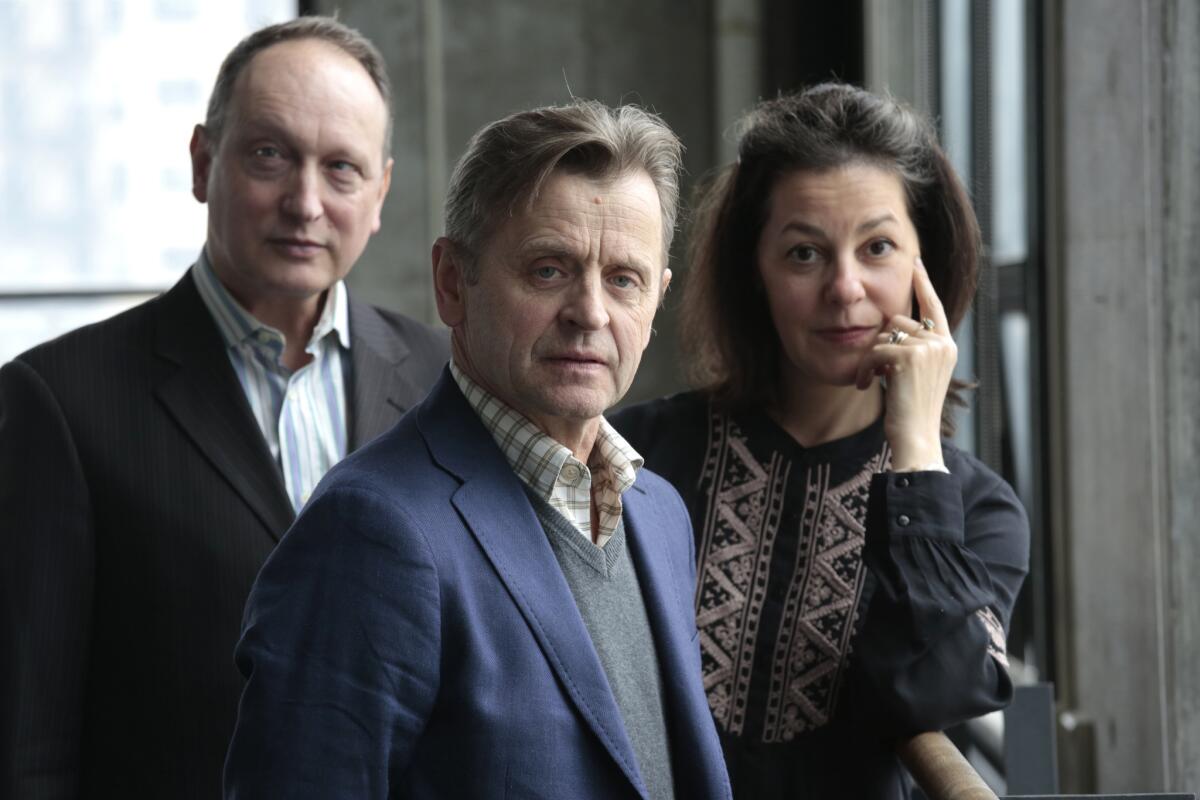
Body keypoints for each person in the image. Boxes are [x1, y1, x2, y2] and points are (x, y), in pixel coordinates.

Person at [223, 100, 732, 800]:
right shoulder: (372, 531)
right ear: (453, 283)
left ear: (657, 300)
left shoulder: (659, 513)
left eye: (624, 279)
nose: (591, 311)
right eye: (549, 270)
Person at [0, 17, 447, 800]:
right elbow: (28, 735)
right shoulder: (60, 402)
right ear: (204, 162)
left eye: (341, 168)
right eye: (271, 154)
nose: (305, 202)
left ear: (379, 193)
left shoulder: (446, 383)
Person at [611, 83, 1030, 799]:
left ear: (924, 267)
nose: (845, 287)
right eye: (805, 253)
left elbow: (938, 692)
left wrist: (916, 458)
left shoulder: (978, 509)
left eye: (879, 247)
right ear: (758, 272)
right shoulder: (638, 456)